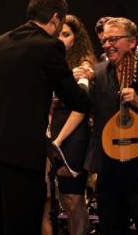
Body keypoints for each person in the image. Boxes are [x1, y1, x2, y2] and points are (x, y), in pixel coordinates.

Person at [0, 0, 90, 235]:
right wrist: (87, 84)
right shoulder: (49, 46)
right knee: (22, 224)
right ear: (57, 18)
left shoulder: (0, 42)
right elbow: (73, 97)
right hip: (20, 153)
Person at [84, 17, 138, 234]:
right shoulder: (97, 73)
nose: (107, 45)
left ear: (132, 42)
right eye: (104, 40)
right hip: (108, 164)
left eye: (113, 39)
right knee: (110, 227)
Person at [42, 14, 96, 235]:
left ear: (76, 38)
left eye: (67, 34)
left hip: (73, 133)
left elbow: (81, 107)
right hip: (55, 130)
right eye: (59, 34)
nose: (61, 38)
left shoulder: (83, 64)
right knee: (63, 198)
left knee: (74, 198)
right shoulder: (55, 61)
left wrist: (59, 139)